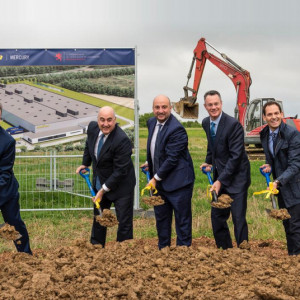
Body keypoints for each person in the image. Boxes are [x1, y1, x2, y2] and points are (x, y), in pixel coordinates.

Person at [76, 106, 136, 247]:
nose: (105, 124)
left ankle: (123, 252)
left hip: (122, 187)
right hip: (100, 181)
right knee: (99, 218)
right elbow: (88, 145)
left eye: (109, 120)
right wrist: (86, 163)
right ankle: (96, 248)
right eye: (102, 120)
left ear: (115, 120)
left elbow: (120, 171)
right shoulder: (92, 129)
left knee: (124, 222)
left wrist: (102, 191)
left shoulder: (122, 140)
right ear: (98, 120)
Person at [141, 95, 195, 249]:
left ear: (170, 108)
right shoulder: (152, 122)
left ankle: (182, 252)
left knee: (182, 220)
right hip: (160, 183)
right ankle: (163, 250)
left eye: (164, 107)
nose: (161, 111)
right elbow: (155, 148)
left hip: (179, 182)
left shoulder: (177, 129)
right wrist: (149, 163)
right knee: (162, 219)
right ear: (153, 109)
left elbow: (172, 159)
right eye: (157, 107)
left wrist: (155, 178)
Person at [200, 90, 250, 249]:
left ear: (221, 104)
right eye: (210, 105)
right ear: (205, 106)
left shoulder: (233, 124)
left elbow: (236, 157)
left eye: (216, 104)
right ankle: (225, 250)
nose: (213, 107)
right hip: (220, 176)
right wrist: (209, 162)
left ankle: (243, 253)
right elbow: (212, 145)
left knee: (238, 218)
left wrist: (220, 180)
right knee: (217, 216)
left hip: (237, 178)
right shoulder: (206, 123)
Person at [260, 101, 300, 255]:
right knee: (287, 225)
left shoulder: (293, 135)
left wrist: (277, 181)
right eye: (269, 114)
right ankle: (292, 257)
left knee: (295, 226)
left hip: (295, 186)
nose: (274, 117)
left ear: (282, 114)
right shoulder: (264, 133)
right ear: (264, 117)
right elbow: (272, 157)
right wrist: (268, 165)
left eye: (276, 113)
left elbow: (295, 165)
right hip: (281, 188)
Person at [0, 103, 32, 254]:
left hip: (6, 192)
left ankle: (25, 255)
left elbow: (4, 173)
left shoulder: (7, 141)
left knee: (15, 224)